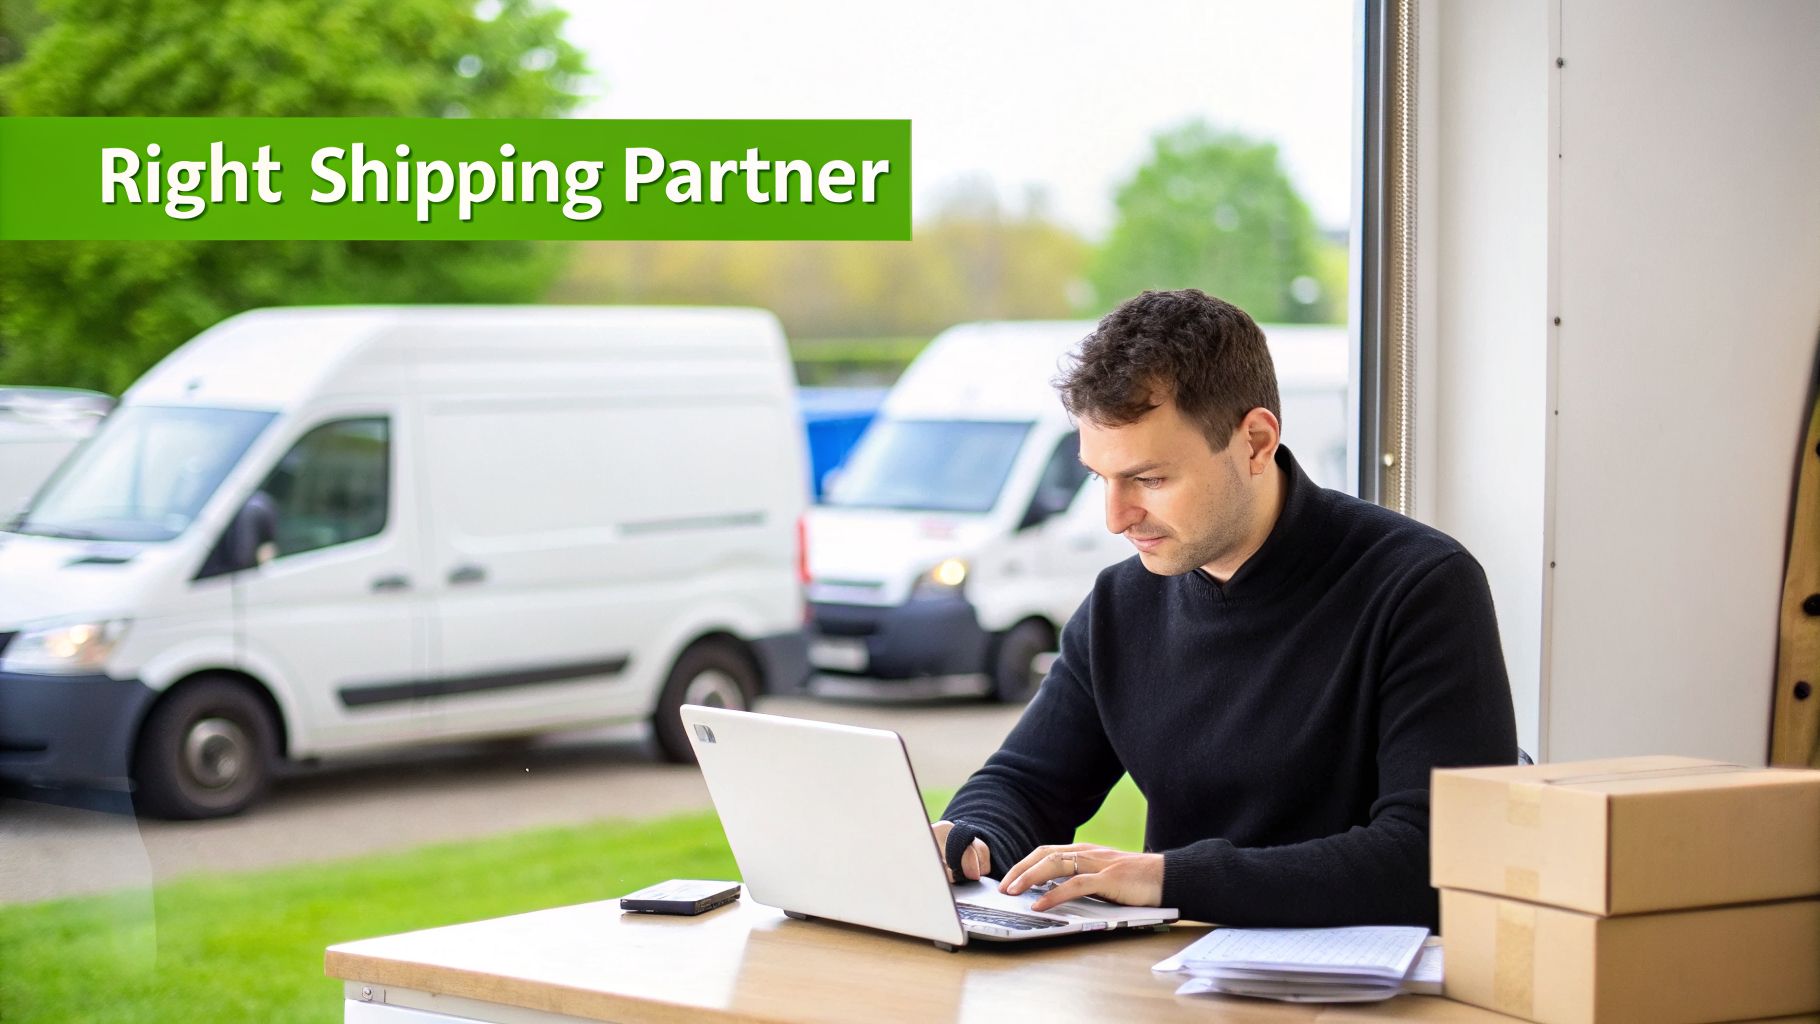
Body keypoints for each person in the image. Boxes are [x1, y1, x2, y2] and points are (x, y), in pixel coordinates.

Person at [933, 288, 1517, 929]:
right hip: (1174, 979)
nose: (1116, 518)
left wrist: (1168, 878)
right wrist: (970, 838)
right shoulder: (1119, 605)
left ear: (1257, 443)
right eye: (1101, 478)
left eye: (1150, 480)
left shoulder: (1420, 587)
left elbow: (1431, 857)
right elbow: (1027, 784)